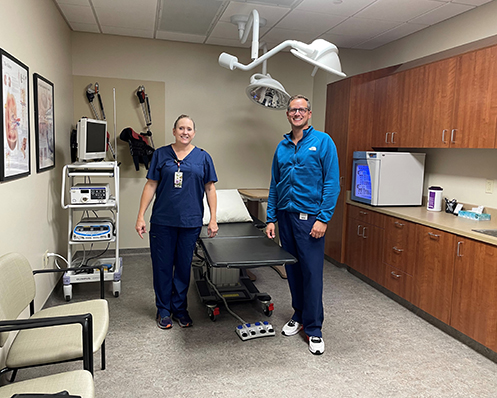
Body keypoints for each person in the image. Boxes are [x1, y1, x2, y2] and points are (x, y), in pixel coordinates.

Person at [266, 95, 340, 355]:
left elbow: (332, 183)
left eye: (301, 109)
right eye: (292, 110)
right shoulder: (282, 146)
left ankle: (314, 327)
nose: (297, 113)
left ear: (309, 113)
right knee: (293, 271)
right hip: (285, 218)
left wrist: (323, 218)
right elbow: (275, 184)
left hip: (310, 220)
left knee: (311, 272)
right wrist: (271, 217)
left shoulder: (323, 142)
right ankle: (298, 315)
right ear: (288, 115)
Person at [136, 114, 218, 330]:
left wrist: (213, 218)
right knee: (162, 267)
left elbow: (210, 188)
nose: (185, 132)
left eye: (189, 129)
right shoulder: (161, 154)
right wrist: (140, 215)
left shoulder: (203, 157)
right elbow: (151, 185)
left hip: (190, 222)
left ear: (194, 133)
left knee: (183, 268)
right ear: (174, 131)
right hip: (163, 221)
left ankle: (180, 309)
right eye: (181, 128)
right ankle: (163, 309)